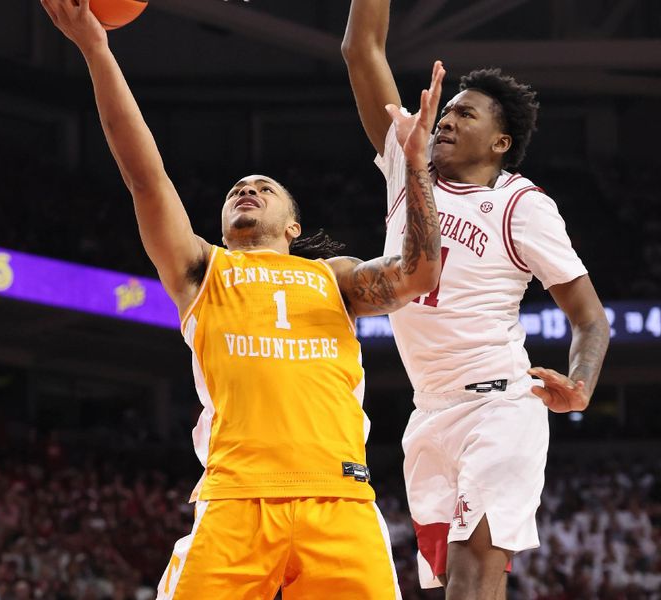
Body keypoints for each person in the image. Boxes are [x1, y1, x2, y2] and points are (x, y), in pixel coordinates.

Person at [39, 1, 445, 597]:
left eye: (264, 188)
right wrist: (97, 51)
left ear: (292, 228)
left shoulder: (333, 278)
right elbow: (145, 177)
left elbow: (419, 274)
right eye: (237, 189)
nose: (247, 190)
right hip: (236, 497)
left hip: (339, 498)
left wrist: (416, 166)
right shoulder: (202, 269)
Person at [342, 2, 611, 599]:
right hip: (428, 412)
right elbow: (361, 50)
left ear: (500, 142)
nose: (445, 120)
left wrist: (582, 383)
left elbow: (590, 318)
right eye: (446, 110)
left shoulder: (522, 205)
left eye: (465, 114)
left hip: (500, 407)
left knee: (474, 572)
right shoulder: (405, 164)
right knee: (445, 586)